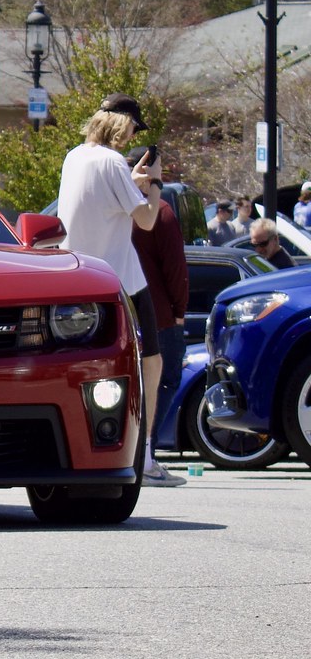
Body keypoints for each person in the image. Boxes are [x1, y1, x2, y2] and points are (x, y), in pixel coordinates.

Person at [57, 93, 185, 487]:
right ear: (122, 123)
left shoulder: (75, 156)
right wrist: (156, 183)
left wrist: (132, 184)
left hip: (74, 273)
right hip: (120, 279)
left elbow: (100, 201)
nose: (133, 136)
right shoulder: (113, 161)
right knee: (151, 360)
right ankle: (143, 454)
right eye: (133, 126)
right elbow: (146, 221)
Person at [126, 147, 189, 449]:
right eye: (159, 169)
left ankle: (136, 451)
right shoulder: (160, 212)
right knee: (164, 380)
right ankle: (146, 452)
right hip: (160, 314)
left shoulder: (117, 208)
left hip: (123, 310)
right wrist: (179, 311)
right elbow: (176, 269)